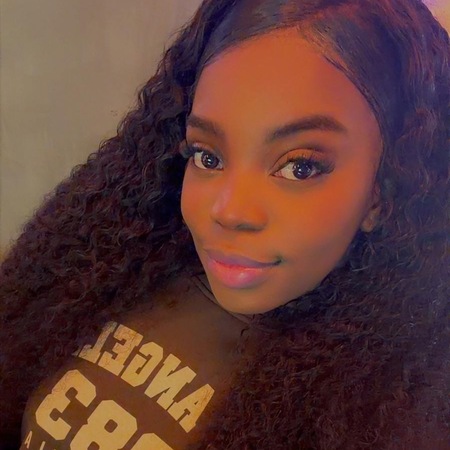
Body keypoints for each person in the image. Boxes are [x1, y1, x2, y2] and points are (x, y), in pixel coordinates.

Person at [0, 0, 449, 448]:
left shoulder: (390, 406)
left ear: (383, 192)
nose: (229, 211)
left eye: (300, 167)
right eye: (208, 156)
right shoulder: (116, 273)